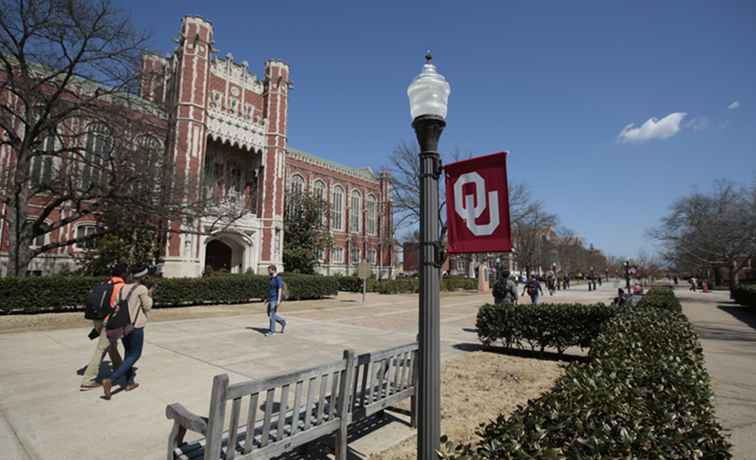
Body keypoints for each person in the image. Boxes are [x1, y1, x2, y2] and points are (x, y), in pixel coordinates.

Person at [102, 266, 154, 400]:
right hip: (136, 325)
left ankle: (129, 382)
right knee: (135, 354)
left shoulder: (123, 287)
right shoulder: (141, 289)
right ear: (143, 277)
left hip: (123, 325)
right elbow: (147, 306)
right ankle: (111, 379)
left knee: (128, 353)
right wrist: (150, 295)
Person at [80, 264, 126, 391]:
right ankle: (88, 380)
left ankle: (119, 368)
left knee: (111, 345)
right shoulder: (120, 287)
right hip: (108, 321)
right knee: (101, 349)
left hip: (96, 319)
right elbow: (116, 306)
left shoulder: (105, 283)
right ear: (124, 274)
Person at [265, 264, 287, 336]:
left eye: (269, 270)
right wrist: (267, 299)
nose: (268, 272)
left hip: (275, 299)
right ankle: (282, 321)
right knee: (270, 314)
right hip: (270, 299)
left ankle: (272, 331)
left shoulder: (278, 278)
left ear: (273, 270)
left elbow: (279, 289)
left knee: (271, 315)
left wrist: (278, 300)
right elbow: (270, 290)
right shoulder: (271, 278)